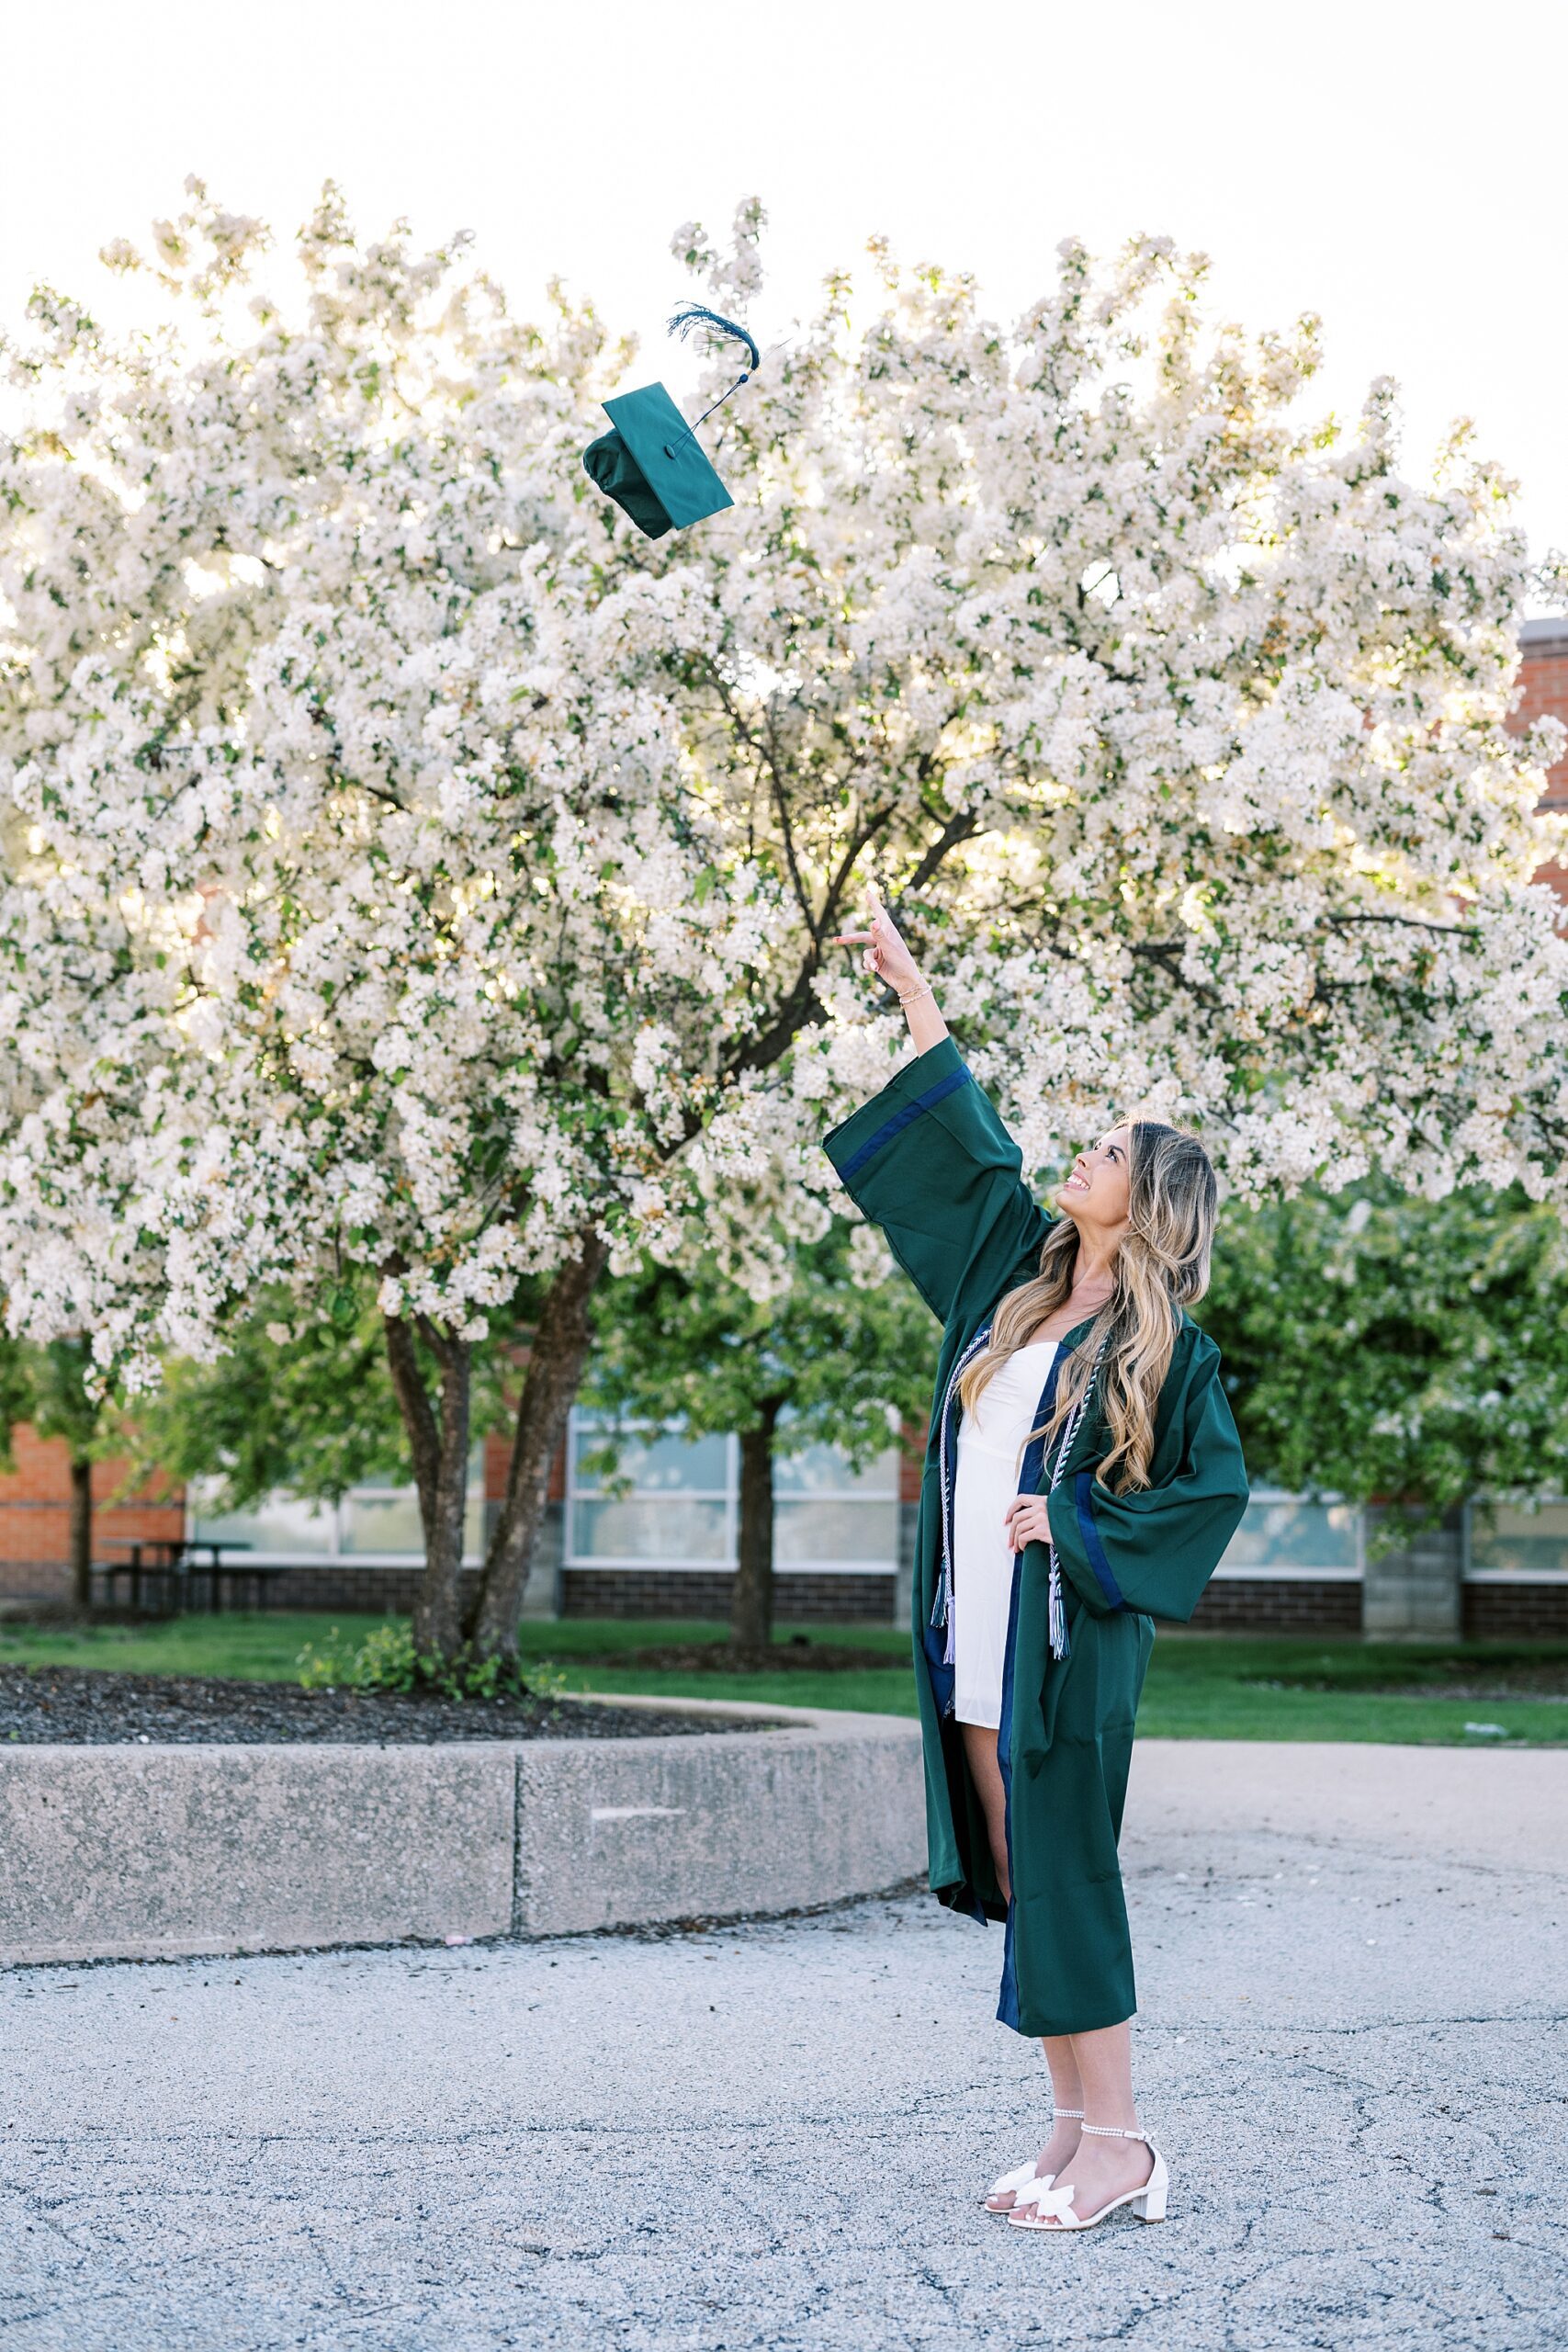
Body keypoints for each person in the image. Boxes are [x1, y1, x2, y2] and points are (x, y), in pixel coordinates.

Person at [824, 899, 1249, 2235]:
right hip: (976, 1634)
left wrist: (1069, 1529)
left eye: (1111, 1152)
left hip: (1063, 1642)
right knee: (1023, 1875)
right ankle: (1070, 2132)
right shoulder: (1017, 1284)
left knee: (1067, 1872)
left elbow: (1212, 1491)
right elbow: (966, 1151)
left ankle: (1122, 2146)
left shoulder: (1164, 1349)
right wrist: (911, 990)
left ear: (1152, 1200)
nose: (1083, 1153)